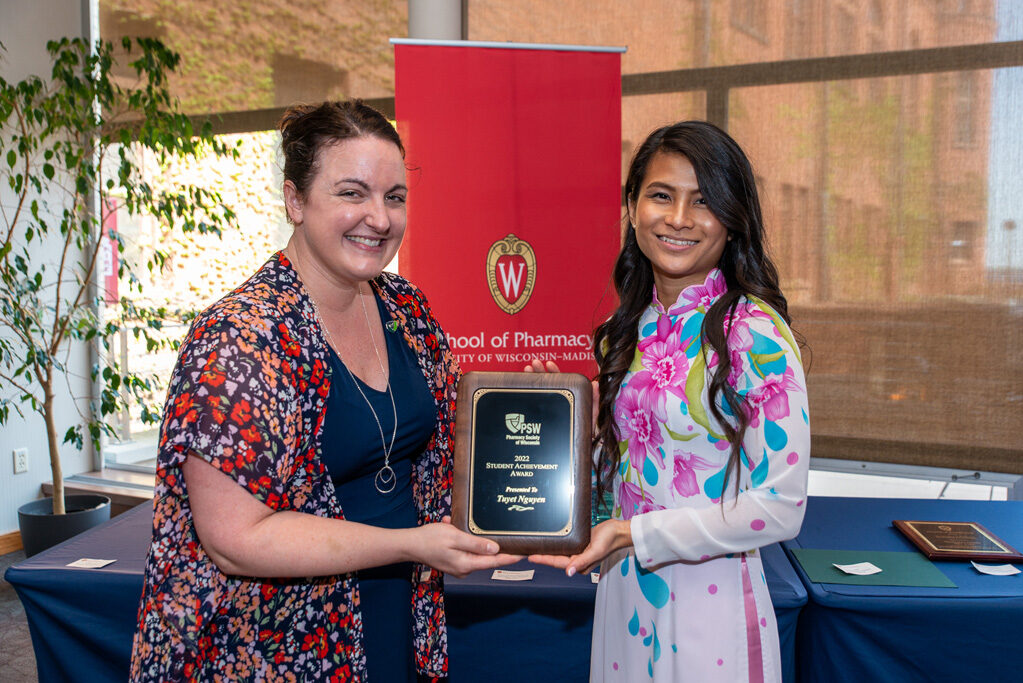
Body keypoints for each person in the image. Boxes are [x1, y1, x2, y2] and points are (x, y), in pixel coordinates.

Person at [130, 100, 520, 682]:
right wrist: (411, 544)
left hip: (395, 617)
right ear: (295, 200)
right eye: (351, 193)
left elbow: (445, 443)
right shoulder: (240, 338)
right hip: (274, 641)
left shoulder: (404, 308)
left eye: (394, 196)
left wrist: (537, 407)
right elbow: (236, 541)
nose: (379, 218)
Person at [529, 121, 810, 682]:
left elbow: (781, 507)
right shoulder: (623, 329)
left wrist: (638, 534)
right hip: (624, 591)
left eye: (703, 202)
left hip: (712, 601)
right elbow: (627, 475)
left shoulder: (753, 334)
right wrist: (576, 431)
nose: (678, 218)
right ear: (633, 208)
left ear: (732, 222)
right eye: (661, 195)